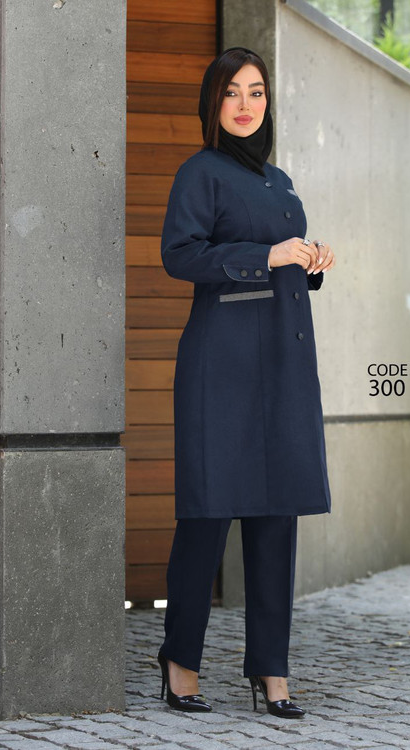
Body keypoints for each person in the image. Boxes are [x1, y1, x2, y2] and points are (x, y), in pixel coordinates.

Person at [156, 46, 336, 718]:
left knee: (276, 517)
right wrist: (267, 254)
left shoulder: (279, 181)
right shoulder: (199, 172)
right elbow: (180, 255)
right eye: (232, 91)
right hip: (222, 367)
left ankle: (271, 671)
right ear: (213, 101)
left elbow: (280, 264)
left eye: (256, 91)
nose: (245, 104)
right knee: (206, 517)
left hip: (283, 364)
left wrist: (309, 262)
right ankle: (180, 662)